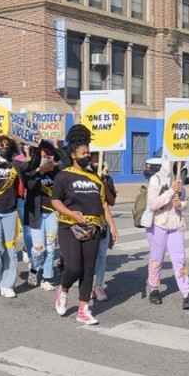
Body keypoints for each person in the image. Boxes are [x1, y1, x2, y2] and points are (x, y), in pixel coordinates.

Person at [50, 125, 118, 324]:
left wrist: (112, 226)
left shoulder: (95, 178)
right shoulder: (64, 175)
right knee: (73, 267)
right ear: (73, 155)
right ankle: (63, 289)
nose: (88, 156)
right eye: (84, 153)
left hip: (93, 228)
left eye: (89, 152)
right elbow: (55, 200)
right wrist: (70, 213)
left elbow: (104, 204)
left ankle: (83, 309)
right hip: (69, 226)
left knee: (89, 269)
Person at [0, 136, 45, 298]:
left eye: (5, 146)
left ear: (10, 148)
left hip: (10, 212)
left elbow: (32, 165)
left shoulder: (15, 165)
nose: (2, 148)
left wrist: (39, 147)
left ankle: (7, 284)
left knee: (10, 250)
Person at [145, 158, 189, 310]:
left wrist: (181, 204)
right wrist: (171, 190)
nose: (182, 165)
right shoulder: (156, 179)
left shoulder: (179, 180)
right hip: (158, 224)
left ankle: (187, 294)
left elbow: (185, 200)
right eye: (179, 162)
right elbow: (152, 204)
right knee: (156, 259)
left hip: (176, 224)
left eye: (184, 162)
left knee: (180, 260)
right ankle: (154, 289)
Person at [24, 143, 60, 290]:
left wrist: (57, 147)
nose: (47, 158)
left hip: (52, 213)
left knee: (51, 248)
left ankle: (47, 277)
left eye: (49, 156)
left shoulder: (57, 172)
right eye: (44, 156)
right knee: (39, 248)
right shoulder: (33, 171)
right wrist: (40, 171)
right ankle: (34, 269)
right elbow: (29, 184)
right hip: (36, 215)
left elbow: (67, 162)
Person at [90, 152, 116, 301]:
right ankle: (86, 284)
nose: (96, 163)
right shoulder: (84, 176)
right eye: (93, 160)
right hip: (87, 224)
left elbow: (111, 201)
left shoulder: (106, 179)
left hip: (102, 224)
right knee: (88, 258)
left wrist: (103, 182)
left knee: (101, 256)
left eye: (98, 161)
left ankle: (98, 285)